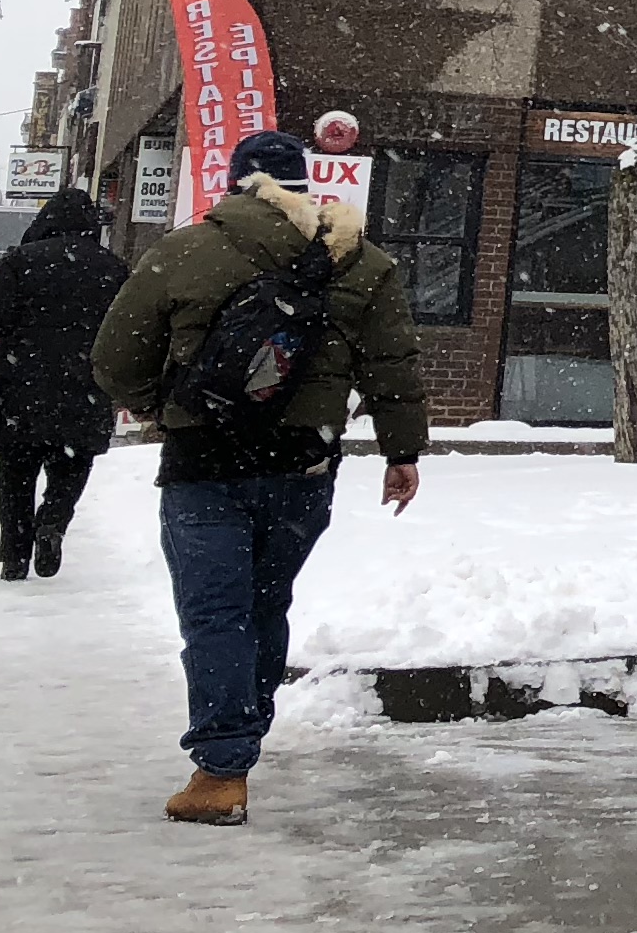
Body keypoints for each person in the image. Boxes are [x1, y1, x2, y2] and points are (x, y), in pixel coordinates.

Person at [93, 128, 427, 826]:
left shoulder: (185, 250)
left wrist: (165, 404)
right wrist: (402, 454)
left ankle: (221, 769)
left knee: (215, 611)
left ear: (237, 183)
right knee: (266, 603)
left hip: (204, 461)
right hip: (303, 465)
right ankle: (244, 734)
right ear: (303, 186)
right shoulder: (363, 263)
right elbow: (392, 369)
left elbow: (116, 354)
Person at [0, 186, 125, 579]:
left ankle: (15, 555)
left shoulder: (19, 262)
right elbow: (128, 329)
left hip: (23, 382)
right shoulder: (113, 268)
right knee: (73, 462)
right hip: (86, 383)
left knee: (17, 469)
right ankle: (53, 522)